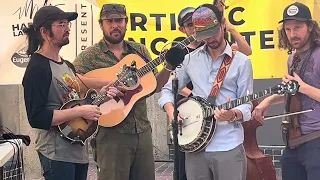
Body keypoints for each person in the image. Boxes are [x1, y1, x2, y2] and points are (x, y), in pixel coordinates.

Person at [72, 3, 175, 180]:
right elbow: (73, 82)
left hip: (142, 130)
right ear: (101, 25)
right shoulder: (91, 55)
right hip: (111, 133)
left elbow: (155, 86)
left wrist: (168, 66)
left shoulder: (139, 51)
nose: (114, 25)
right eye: (109, 21)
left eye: (119, 20)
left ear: (126, 22)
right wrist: (106, 83)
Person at [22, 6, 120, 180]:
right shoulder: (37, 68)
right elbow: (36, 117)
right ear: (45, 32)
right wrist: (79, 112)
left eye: (68, 24)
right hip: (56, 154)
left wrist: (102, 95)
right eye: (61, 24)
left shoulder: (67, 65)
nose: (67, 28)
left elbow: (77, 102)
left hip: (78, 150)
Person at [159, 3, 253, 180]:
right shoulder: (189, 60)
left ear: (223, 24)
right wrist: (172, 113)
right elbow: (167, 90)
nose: (210, 39)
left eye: (213, 32)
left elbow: (247, 105)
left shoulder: (241, 62)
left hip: (228, 146)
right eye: (204, 35)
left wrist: (232, 114)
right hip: (195, 147)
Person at [252, 2, 320, 180]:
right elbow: (292, 91)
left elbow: (300, 89)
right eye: (288, 29)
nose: (292, 34)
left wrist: (303, 87)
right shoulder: (292, 58)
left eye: (297, 28)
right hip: (293, 142)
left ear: (311, 27)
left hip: (316, 140)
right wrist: (267, 101)